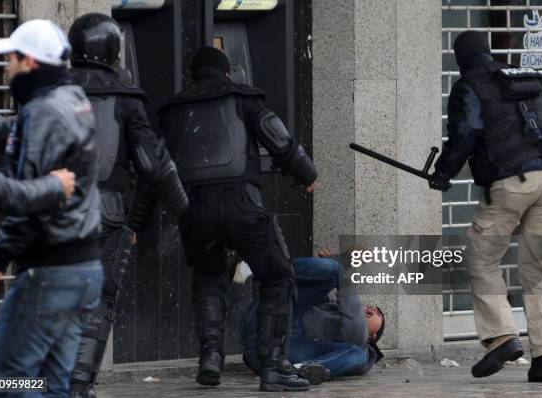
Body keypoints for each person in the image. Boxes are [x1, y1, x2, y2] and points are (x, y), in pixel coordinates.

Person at [159, 46, 317, 392]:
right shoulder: (242, 98)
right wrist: (307, 174)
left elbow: (154, 161)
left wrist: (135, 221)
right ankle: (273, 365)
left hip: (194, 209)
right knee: (277, 276)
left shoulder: (173, 110)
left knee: (208, 278)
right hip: (241, 204)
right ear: (226, 73)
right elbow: (280, 141)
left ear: (192, 75)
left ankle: (210, 357)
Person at [429, 30, 542, 382]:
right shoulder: (517, 77)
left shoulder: (469, 86)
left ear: (461, 58)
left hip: (513, 183)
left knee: (482, 257)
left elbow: (466, 131)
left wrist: (443, 173)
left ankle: (502, 337)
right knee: (537, 267)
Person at [0, 19, 103, 397]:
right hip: (82, 270)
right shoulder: (72, 100)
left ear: (29, 62)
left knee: (9, 382)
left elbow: (22, 199)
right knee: (51, 385)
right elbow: (14, 145)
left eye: (10, 59)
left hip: (49, 276)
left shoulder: (44, 111)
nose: (5, 68)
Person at [66, 14, 189, 398]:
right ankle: (76, 385)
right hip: (105, 214)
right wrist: (186, 211)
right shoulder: (125, 97)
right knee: (97, 304)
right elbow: (153, 165)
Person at [240, 248, 385, 384]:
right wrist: (330, 264)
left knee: (358, 354)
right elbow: (313, 286)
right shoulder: (331, 306)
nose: (373, 309)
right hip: (266, 315)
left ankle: (301, 371)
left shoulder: (359, 347)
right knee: (334, 270)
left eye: (379, 314)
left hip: (276, 352)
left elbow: (356, 326)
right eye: (373, 307)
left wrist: (345, 269)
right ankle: (268, 270)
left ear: (373, 337)